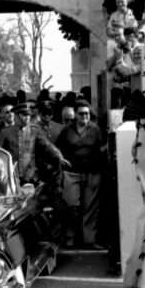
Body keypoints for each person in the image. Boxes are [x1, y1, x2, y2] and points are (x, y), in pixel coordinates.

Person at [55, 98, 105, 249]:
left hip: (92, 172)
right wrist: (61, 160)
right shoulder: (67, 130)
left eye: (87, 114)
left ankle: (89, 240)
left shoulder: (95, 130)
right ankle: (70, 238)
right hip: (72, 172)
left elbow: (102, 148)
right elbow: (57, 148)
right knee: (71, 205)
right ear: (76, 115)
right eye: (82, 114)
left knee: (90, 207)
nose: (85, 117)